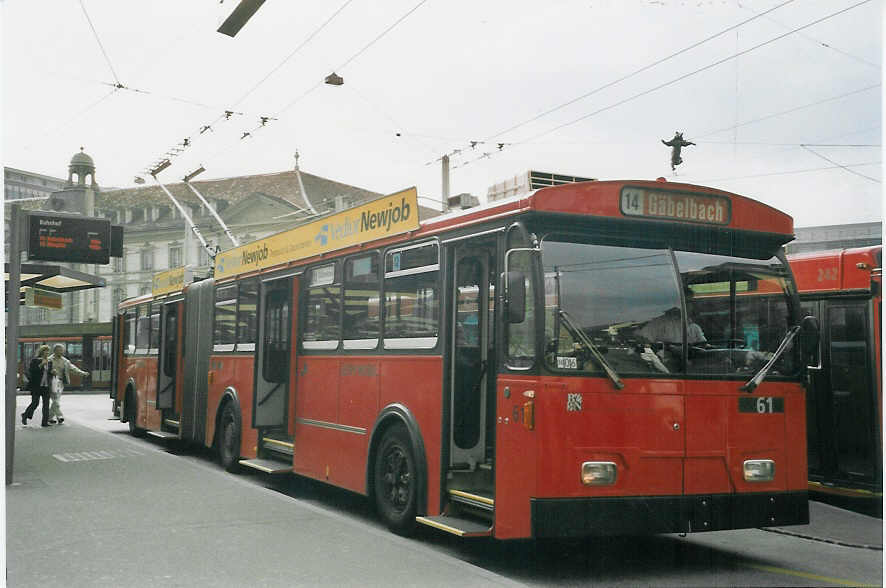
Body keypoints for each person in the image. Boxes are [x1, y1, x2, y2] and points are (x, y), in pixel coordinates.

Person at [47, 344, 88, 425]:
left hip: (60, 382)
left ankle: (50, 417)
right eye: (59, 350)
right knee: (55, 399)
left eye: (62, 350)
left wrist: (82, 373)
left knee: (56, 400)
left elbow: (73, 368)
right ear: (55, 351)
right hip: (51, 382)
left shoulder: (65, 361)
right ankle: (60, 416)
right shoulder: (49, 360)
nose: (61, 352)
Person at [21, 345, 52, 427]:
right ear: (41, 352)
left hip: (46, 386)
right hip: (36, 386)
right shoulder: (35, 361)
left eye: (48, 351)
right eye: (46, 351)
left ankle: (44, 422)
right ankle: (25, 415)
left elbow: (49, 374)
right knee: (35, 403)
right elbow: (32, 371)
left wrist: (53, 372)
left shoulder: (49, 361)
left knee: (46, 404)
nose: (47, 353)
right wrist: (41, 364)